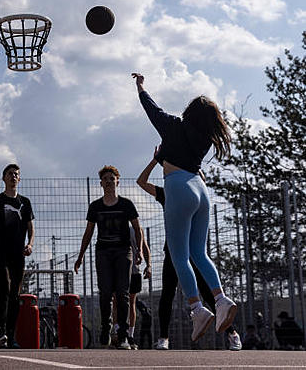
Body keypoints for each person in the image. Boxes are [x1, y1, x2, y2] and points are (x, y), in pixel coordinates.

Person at [132, 73, 238, 341]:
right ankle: (221, 299)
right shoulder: (204, 138)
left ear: (188, 112)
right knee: (199, 254)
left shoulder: (173, 126)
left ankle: (197, 308)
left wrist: (141, 86)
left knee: (179, 256)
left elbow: (151, 109)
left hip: (178, 187)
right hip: (201, 190)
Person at [136, 150, 242, 351]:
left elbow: (198, 177)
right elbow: (141, 182)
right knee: (167, 294)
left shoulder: (191, 184)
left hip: (190, 252)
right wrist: (155, 160)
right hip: (174, 251)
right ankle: (164, 338)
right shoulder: (166, 192)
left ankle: (232, 333)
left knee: (207, 291)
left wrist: (189, 160)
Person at [74, 165, 145, 350]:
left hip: (123, 251)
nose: (108, 182)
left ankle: (122, 335)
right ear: (101, 183)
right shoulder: (95, 207)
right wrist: (80, 256)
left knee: (123, 294)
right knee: (105, 292)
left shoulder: (126, 204)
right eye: (105, 179)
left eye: (111, 179)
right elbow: (88, 232)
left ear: (117, 182)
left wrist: (140, 251)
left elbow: (137, 229)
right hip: (103, 252)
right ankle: (105, 326)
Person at [0, 163, 34, 348]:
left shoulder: (24, 202)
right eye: (10, 174)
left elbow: (30, 227)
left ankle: (11, 335)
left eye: (16, 174)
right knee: (3, 290)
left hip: (17, 254)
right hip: (0, 252)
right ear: (3, 178)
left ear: (19, 179)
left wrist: (30, 244)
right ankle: (0, 332)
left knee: (15, 294)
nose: (13, 176)